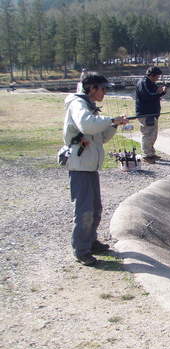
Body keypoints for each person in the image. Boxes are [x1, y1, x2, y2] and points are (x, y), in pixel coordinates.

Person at [63, 74, 128, 266]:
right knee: (84, 210)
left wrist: (114, 124)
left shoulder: (89, 106)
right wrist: (110, 120)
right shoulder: (78, 105)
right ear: (91, 88)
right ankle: (81, 250)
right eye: (103, 88)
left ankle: (90, 242)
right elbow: (87, 125)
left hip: (90, 166)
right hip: (80, 165)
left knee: (95, 208)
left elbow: (101, 137)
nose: (105, 92)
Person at [135, 66, 167, 163]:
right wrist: (160, 93)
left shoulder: (150, 83)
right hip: (146, 113)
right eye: (157, 76)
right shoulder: (143, 83)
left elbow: (155, 94)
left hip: (152, 113)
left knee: (153, 134)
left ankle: (151, 153)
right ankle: (146, 155)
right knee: (147, 134)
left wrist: (161, 92)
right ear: (152, 75)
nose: (158, 78)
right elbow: (148, 96)